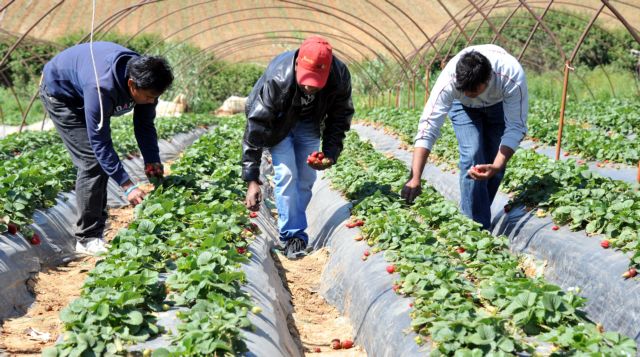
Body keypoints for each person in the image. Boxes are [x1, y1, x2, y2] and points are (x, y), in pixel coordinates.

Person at [39, 41, 173, 254]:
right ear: (131, 85)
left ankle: (97, 225)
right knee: (91, 161)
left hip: (85, 86)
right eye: (148, 97)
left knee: (99, 161)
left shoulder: (146, 79)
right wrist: (127, 185)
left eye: (155, 97)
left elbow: (145, 125)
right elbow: (100, 142)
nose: (151, 101)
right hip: (63, 95)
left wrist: (152, 159)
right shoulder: (102, 86)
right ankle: (87, 237)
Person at [242, 36, 354, 258]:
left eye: (315, 84)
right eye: (305, 80)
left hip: (309, 122)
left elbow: (340, 117)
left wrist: (330, 154)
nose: (308, 87)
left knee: (306, 178)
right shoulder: (278, 78)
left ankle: (292, 224)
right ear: (297, 64)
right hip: (279, 123)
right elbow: (256, 125)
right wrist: (252, 179)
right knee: (286, 174)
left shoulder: (339, 76)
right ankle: (293, 236)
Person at [401, 44, 528, 230]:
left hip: (499, 106)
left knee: (494, 165)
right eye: (464, 91)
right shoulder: (449, 80)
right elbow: (429, 125)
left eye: (474, 92)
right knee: (472, 157)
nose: (470, 95)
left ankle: (478, 219)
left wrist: (498, 165)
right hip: (463, 109)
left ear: (488, 79)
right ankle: (475, 230)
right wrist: (415, 177)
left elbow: (516, 127)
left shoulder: (511, 75)